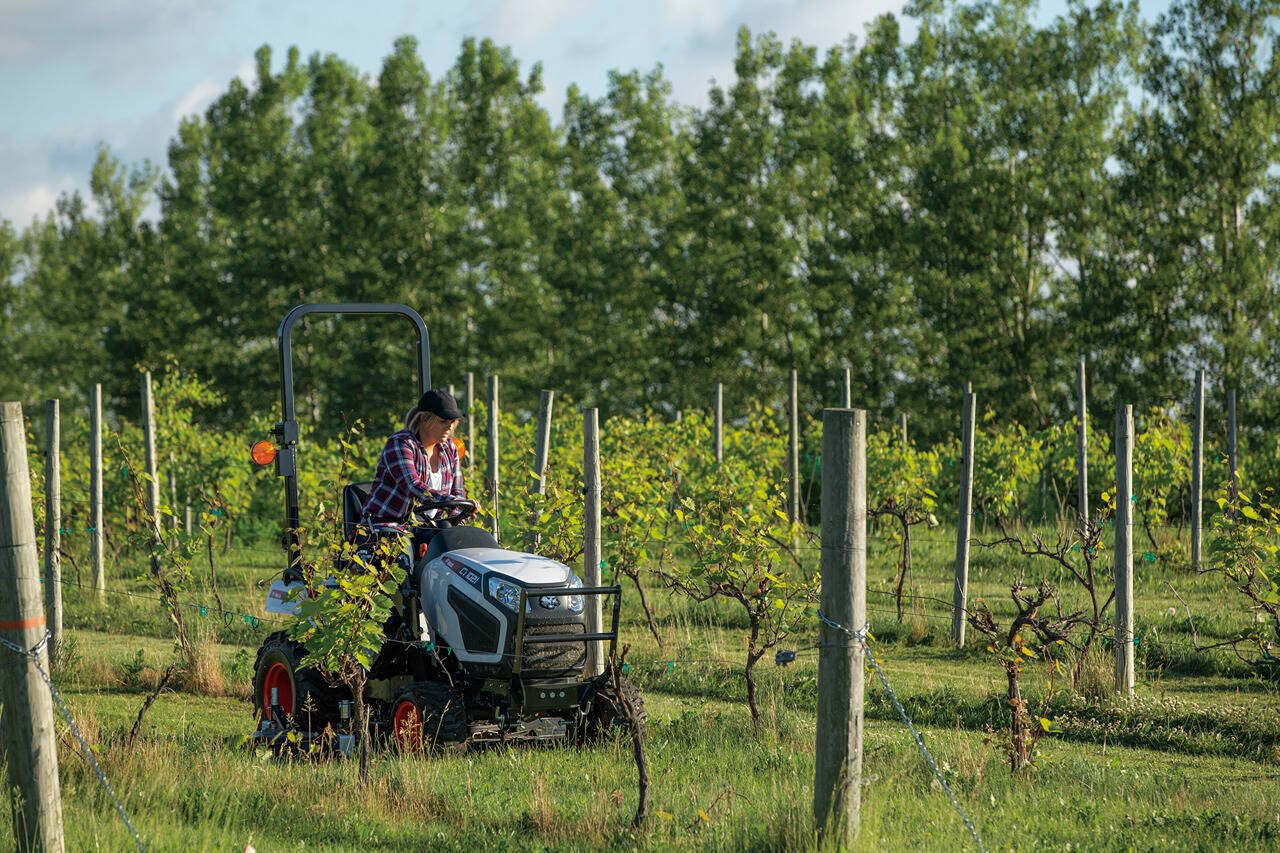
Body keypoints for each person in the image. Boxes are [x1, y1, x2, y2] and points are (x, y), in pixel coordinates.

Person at [361, 388, 468, 532]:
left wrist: (459, 515)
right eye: (443, 421)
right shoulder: (400, 443)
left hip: (427, 528)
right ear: (424, 418)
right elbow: (413, 486)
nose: (449, 427)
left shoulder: (450, 449)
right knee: (406, 549)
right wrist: (452, 502)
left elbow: (458, 491)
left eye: (452, 421)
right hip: (386, 526)